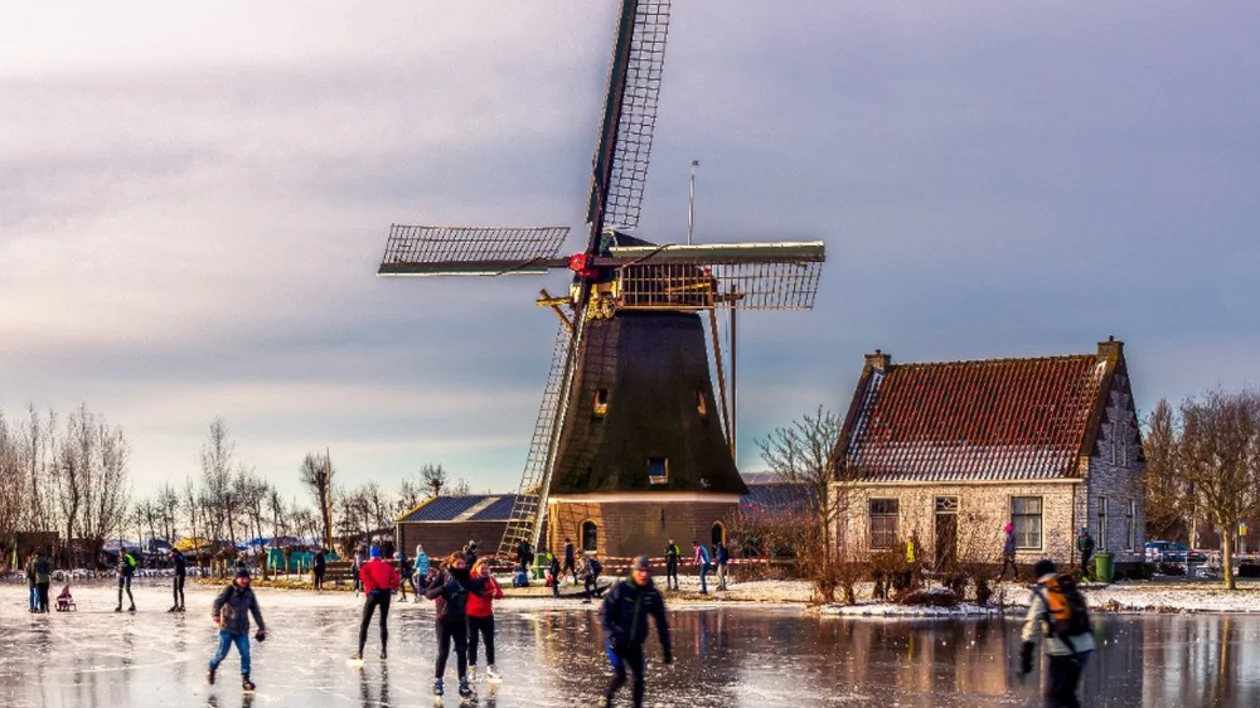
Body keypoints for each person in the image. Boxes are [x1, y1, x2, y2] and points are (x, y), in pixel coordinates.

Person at [1019, 559, 1095, 708]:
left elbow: (1032, 623)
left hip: (1062, 650)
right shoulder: (1067, 586)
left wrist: (1026, 652)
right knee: (1067, 693)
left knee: (1052, 696)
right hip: (1084, 646)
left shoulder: (1044, 593)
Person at [601, 555, 672, 708]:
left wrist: (666, 649)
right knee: (621, 677)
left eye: (647, 571)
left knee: (639, 678)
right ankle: (606, 700)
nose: (644, 574)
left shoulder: (652, 595)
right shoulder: (622, 589)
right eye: (640, 570)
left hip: (634, 644)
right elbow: (605, 612)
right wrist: (611, 634)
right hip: (616, 642)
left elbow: (661, 622)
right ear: (634, 572)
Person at [425, 552, 487, 699]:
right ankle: (438, 681)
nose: (461, 566)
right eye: (457, 563)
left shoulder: (465, 576)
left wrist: (479, 587)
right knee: (443, 652)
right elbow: (428, 593)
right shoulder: (443, 575)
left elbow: (472, 587)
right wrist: (444, 589)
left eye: (463, 563)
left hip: (460, 620)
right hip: (444, 620)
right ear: (451, 563)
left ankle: (463, 682)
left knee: (461, 650)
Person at [209, 567, 267, 692]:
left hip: (242, 630)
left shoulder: (249, 593)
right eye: (242, 578)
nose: (245, 581)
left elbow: (256, 611)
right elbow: (217, 602)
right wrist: (215, 614)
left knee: (245, 653)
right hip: (227, 628)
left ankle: (245, 679)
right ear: (236, 578)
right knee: (221, 654)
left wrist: (262, 627)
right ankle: (212, 667)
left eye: (247, 578)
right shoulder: (229, 590)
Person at [354, 546, 401, 661]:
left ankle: (360, 652)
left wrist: (372, 587)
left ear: (371, 555)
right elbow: (397, 579)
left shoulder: (367, 566)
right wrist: (390, 587)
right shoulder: (387, 566)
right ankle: (384, 651)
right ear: (380, 556)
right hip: (385, 594)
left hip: (373, 594)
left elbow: (362, 576)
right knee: (383, 623)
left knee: (365, 623)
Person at [467, 557, 504, 682]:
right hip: (471, 615)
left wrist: (495, 594)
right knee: (473, 641)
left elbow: (500, 594)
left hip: (487, 614)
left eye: (486, 568)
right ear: (476, 567)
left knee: (489, 641)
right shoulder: (471, 578)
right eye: (482, 568)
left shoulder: (490, 579)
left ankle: (491, 667)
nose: (484, 570)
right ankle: (472, 668)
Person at [116, 545, 137, 612]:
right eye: (120, 552)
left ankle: (133, 605)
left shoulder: (128, 557)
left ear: (125, 552)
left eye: (123, 552)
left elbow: (134, 565)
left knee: (127, 589)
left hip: (127, 576)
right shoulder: (119, 558)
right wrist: (118, 571)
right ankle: (120, 605)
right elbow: (118, 566)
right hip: (121, 576)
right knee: (120, 590)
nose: (121, 553)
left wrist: (129, 571)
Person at [169, 548, 187, 612]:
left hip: (181, 575)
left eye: (172, 553)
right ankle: (176, 604)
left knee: (180, 589)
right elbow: (175, 565)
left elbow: (180, 561)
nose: (171, 554)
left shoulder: (180, 556)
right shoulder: (174, 557)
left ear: (175, 552)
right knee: (174, 590)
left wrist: (174, 556)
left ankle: (182, 605)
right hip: (176, 575)